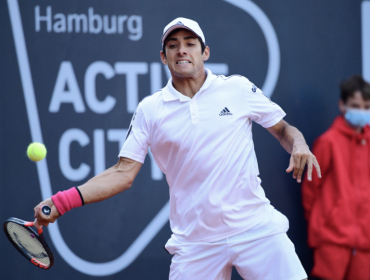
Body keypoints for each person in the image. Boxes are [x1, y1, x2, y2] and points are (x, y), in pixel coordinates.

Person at [35, 18, 320, 280]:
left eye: (189, 44)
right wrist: (62, 202)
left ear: (205, 52)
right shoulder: (150, 109)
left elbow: (283, 129)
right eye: (173, 46)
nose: (181, 51)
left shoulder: (237, 89)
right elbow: (123, 173)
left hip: (256, 229)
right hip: (195, 243)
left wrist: (300, 145)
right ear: (164, 57)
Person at [302, 75, 370, 280]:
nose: (362, 111)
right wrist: (323, 226)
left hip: (366, 242)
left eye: (366, 106)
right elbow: (310, 190)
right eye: (355, 105)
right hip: (332, 241)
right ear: (343, 105)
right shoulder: (327, 142)